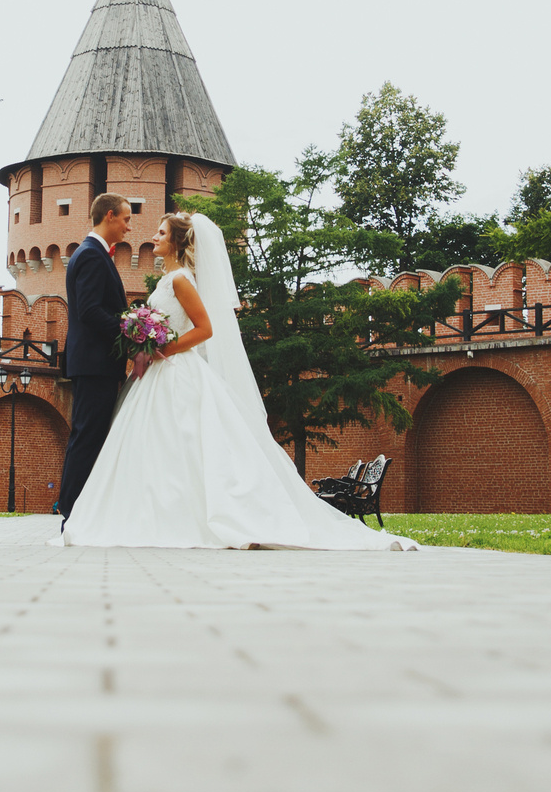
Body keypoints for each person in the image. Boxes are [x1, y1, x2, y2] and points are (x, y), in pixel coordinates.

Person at [54, 210, 417, 550]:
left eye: (162, 232)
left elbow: (205, 329)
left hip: (176, 370)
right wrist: (147, 341)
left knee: (181, 442)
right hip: (156, 373)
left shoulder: (181, 279)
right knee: (156, 445)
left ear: (178, 242)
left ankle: (186, 518)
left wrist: (165, 347)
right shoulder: (168, 278)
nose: (153, 236)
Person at [53, 193, 131, 521]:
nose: (129, 226)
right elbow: (88, 311)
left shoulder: (95, 254)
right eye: (126, 218)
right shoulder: (91, 256)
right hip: (95, 363)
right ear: (109, 215)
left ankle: (78, 510)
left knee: (90, 434)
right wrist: (131, 331)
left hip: (96, 363)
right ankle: (71, 511)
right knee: (87, 435)